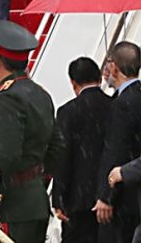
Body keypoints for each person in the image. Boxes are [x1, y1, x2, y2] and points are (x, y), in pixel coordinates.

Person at [0, 20, 65, 243]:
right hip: (35, 199)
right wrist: (37, 177)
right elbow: (57, 146)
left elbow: (6, 154)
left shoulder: (7, 98)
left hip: (13, 203)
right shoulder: (41, 94)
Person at [52, 57, 112, 243]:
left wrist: (58, 197)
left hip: (77, 198)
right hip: (110, 196)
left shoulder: (67, 112)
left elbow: (63, 156)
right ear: (99, 77)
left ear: (73, 82)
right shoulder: (114, 106)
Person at [95, 41, 141, 243]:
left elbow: (116, 150)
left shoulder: (123, 104)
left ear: (114, 67)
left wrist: (107, 196)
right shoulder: (133, 96)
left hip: (123, 196)